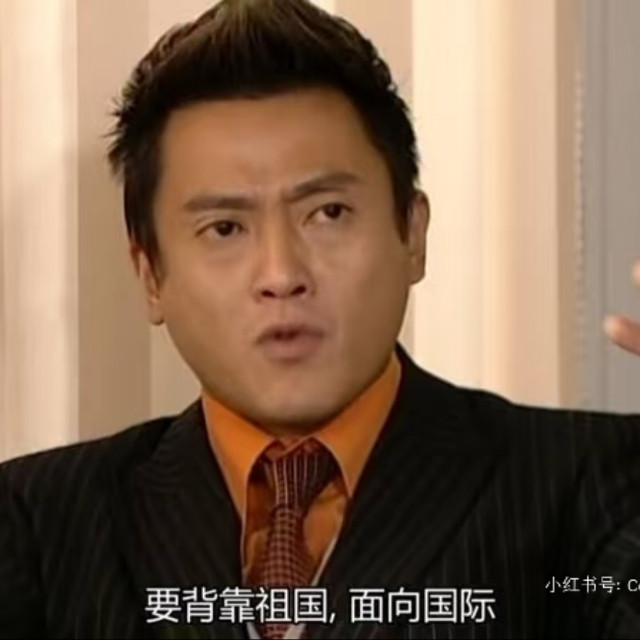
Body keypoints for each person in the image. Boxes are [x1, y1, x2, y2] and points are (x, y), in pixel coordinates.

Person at [1, 0, 640, 638]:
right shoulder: (39, 523)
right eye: (224, 228)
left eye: (328, 213)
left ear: (413, 234)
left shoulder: (592, 482)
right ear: (149, 275)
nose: (282, 274)